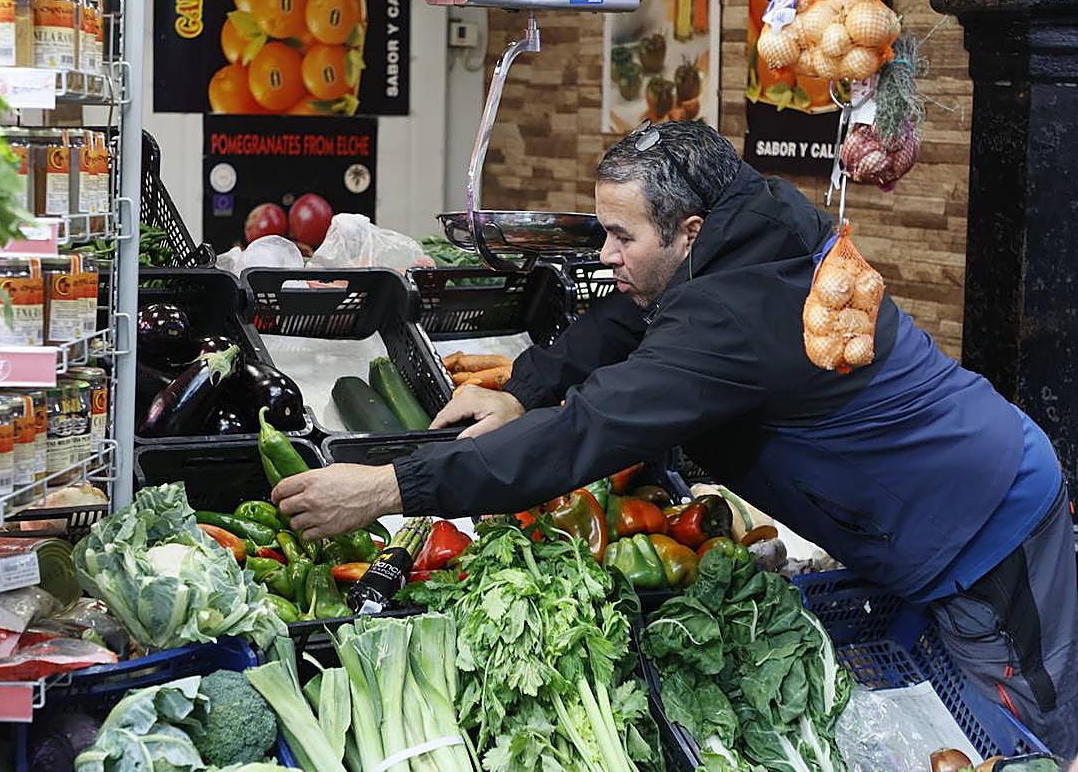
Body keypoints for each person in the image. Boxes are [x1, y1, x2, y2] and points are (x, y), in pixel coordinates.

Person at [273, 121, 1078, 755]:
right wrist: (521, 390)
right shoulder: (741, 232)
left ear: (689, 230)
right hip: (910, 514)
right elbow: (628, 313)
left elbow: (591, 433)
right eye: (603, 230)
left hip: (983, 523)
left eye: (623, 238)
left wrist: (390, 488)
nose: (605, 255)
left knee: (1024, 739)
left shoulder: (736, 319)